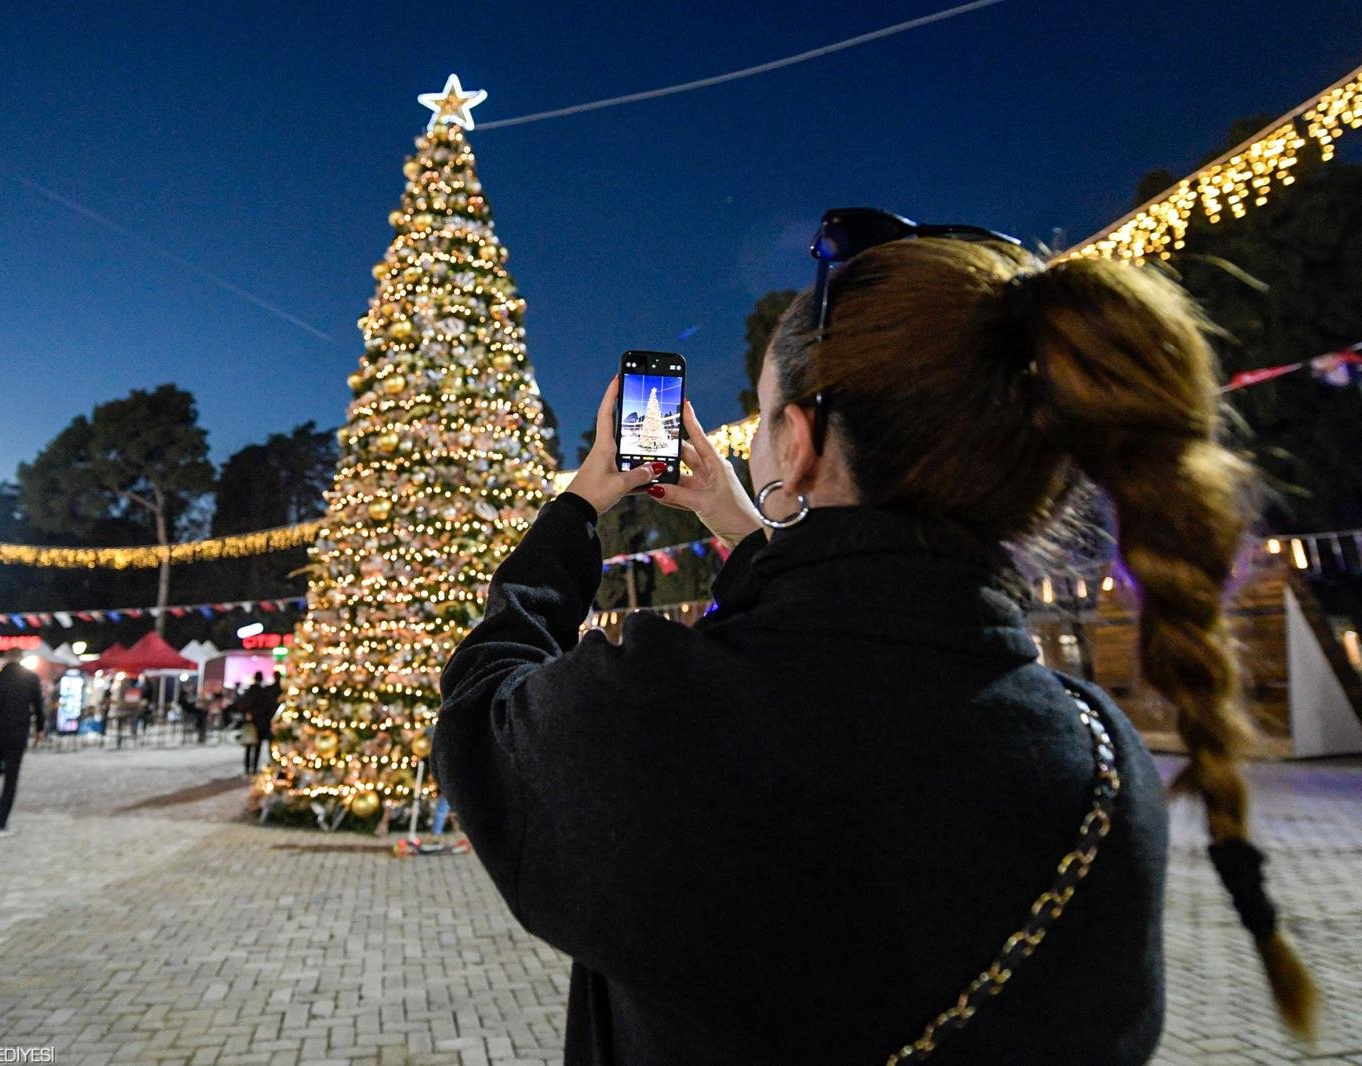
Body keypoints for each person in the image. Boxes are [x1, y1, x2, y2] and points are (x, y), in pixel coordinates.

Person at [435, 226, 1316, 1064]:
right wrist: (735, 518)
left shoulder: (658, 720)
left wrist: (581, 502)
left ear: (804, 437)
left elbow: (481, 707)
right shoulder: (1103, 767)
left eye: (770, 410)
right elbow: (853, 616)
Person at [0, 648, 45, 837]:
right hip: (17, 732)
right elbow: (38, 706)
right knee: (11, 777)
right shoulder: (31, 679)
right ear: (21, 659)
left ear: (6, 659)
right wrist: (40, 728)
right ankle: (1, 822)